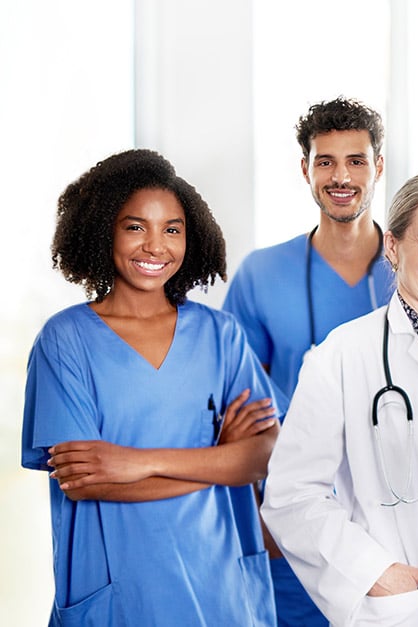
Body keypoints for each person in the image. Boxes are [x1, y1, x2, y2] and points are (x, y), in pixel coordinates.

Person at [21, 149, 284, 625]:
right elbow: (86, 481)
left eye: (172, 229)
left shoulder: (220, 335)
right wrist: (220, 460)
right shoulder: (65, 341)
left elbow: (264, 455)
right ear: (104, 229)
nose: (155, 246)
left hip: (219, 588)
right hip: (119, 592)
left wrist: (135, 462)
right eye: (136, 226)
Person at [261, 172, 418, 627]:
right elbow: (290, 495)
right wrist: (375, 574)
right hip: (415, 605)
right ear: (394, 247)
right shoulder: (342, 355)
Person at [224, 96, 394, 624]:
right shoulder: (261, 275)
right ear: (306, 169)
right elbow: (234, 413)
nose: (341, 176)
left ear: (378, 167)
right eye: (326, 161)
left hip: (393, 520)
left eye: (356, 160)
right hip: (292, 526)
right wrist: (261, 518)